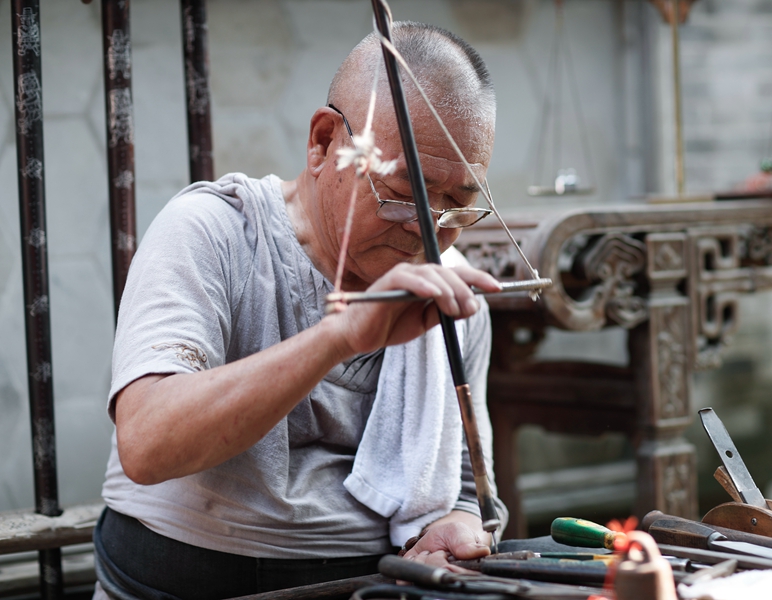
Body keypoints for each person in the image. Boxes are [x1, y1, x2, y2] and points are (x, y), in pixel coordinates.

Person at [93, 21, 507, 600]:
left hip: (374, 583)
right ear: (323, 142)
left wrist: (456, 527)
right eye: (403, 191)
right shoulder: (215, 233)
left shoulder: (448, 294)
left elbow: (465, 488)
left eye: (458, 205)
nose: (428, 231)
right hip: (185, 581)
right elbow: (146, 442)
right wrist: (337, 338)